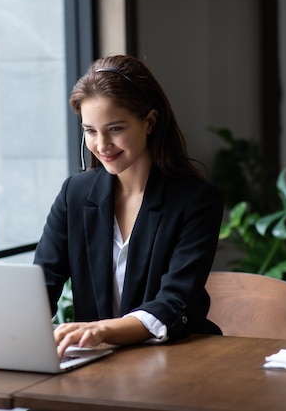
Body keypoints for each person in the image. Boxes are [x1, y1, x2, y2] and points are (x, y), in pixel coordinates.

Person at [34, 55, 223, 357]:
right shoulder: (75, 194)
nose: (102, 144)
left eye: (115, 129)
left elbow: (175, 302)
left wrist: (101, 330)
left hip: (177, 359)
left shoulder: (196, 201)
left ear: (149, 122)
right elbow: (41, 285)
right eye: (90, 131)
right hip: (96, 361)